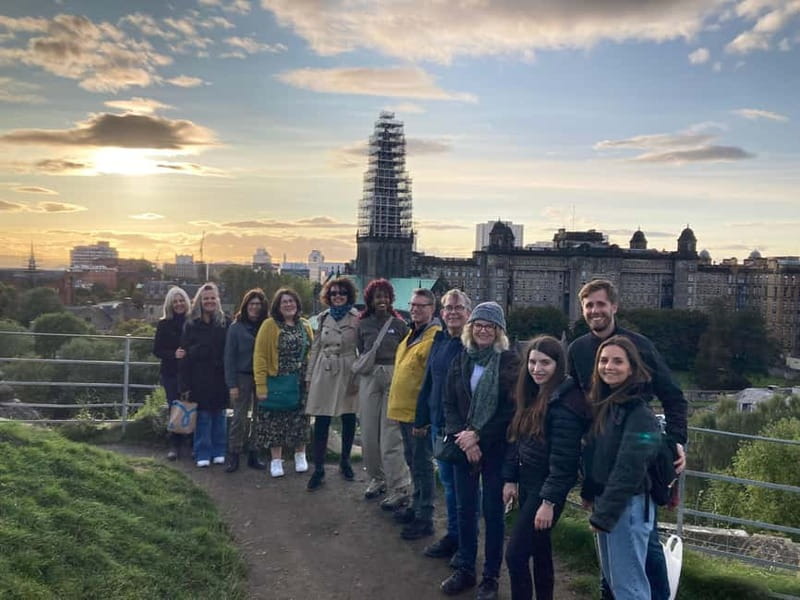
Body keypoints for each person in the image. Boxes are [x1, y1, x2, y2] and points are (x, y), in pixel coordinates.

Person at [567, 278, 687, 600]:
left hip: (633, 472)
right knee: (619, 568)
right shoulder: (578, 350)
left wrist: (674, 442)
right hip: (603, 460)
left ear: (614, 307)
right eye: (589, 305)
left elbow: (673, 397)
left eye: (601, 304)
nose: (595, 311)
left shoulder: (640, 352)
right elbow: (577, 401)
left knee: (640, 556)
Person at [441, 302, 520, 600]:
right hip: (464, 446)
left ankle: (490, 577)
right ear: (470, 328)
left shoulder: (510, 362)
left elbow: (511, 410)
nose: (483, 330)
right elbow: (448, 402)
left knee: (493, 512)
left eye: (489, 325)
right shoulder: (462, 359)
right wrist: (463, 437)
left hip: (496, 447)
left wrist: (478, 436)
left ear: (498, 331)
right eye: (478, 324)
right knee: (465, 509)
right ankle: (465, 568)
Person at [503, 336, 590, 600]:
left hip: (546, 487)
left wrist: (549, 502)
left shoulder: (566, 404)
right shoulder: (534, 394)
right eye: (532, 362)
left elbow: (565, 462)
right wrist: (510, 479)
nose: (537, 369)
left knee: (515, 554)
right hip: (529, 481)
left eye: (545, 363)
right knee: (540, 550)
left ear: (558, 365)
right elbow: (517, 438)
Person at [582, 335, 661, 600]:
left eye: (618, 361)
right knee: (616, 583)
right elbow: (599, 456)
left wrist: (604, 515)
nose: (609, 366)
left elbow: (630, 469)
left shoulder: (640, 413)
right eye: (604, 360)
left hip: (628, 507)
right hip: (610, 502)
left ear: (632, 368)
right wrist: (590, 493)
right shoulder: (607, 405)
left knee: (630, 588)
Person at [415, 289, 472, 558]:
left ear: (468, 313)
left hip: (461, 430)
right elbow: (429, 381)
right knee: (449, 485)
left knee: (464, 492)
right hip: (439, 423)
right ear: (441, 313)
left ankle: (465, 543)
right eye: (448, 308)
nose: (453, 312)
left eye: (458, 308)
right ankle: (454, 536)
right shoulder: (439, 341)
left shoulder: (472, 345)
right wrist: (422, 417)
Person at [387, 288, 441, 537]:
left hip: (417, 414)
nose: (416, 309)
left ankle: (425, 517)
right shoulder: (412, 333)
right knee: (412, 462)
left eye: (422, 305)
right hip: (403, 410)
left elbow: (431, 381)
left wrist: (426, 417)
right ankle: (416, 505)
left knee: (422, 464)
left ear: (433, 308)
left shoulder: (433, 337)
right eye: (413, 305)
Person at [356, 279, 410, 504]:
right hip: (370, 377)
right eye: (378, 296)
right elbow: (359, 349)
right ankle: (376, 478)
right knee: (368, 433)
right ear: (370, 299)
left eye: (386, 296)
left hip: (392, 376)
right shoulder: (363, 324)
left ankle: (398, 486)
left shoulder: (399, 325)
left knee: (390, 435)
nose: (382, 300)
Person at [305, 277, 360, 491]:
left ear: (349, 296)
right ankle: (318, 469)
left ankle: (344, 461)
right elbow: (316, 348)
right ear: (328, 297)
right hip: (325, 369)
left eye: (342, 293)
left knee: (348, 417)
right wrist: (310, 377)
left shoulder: (356, 319)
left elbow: (361, 348)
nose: (338, 296)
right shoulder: (322, 318)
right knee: (322, 418)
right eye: (334, 293)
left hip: (347, 368)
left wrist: (358, 376)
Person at [253, 287, 313, 478]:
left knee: (300, 419)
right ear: (278, 306)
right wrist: (261, 385)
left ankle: (300, 455)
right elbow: (260, 356)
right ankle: (276, 460)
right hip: (276, 379)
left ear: (297, 304)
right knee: (274, 420)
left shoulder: (305, 325)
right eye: (284, 302)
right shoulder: (269, 325)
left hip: (300, 380)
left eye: (292, 301)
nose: (289, 304)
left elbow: (310, 353)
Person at [179, 282, 230, 468]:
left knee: (220, 417)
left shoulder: (226, 323)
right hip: (198, 377)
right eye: (206, 298)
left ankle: (219, 451)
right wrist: (184, 385)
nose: (209, 301)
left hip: (220, 377)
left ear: (218, 300)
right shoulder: (191, 325)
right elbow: (184, 355)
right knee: (203, 417)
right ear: (199, 301)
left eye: (212, 298)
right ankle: (202, 452)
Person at [223, 288, 268, 473]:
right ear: (245, 305)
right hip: (241, 376)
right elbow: (229, 357)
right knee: (239, 418)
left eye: (258, 304)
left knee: (260, 418)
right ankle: (233, 454)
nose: (255, 308)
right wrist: (231, 384)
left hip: (261, 377)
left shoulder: (267, 326)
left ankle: (254, 453)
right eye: (252, 304)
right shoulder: (236, 327)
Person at [153, 285, 192, 460]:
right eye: (175, 301)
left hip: (191, 372)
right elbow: (157, 350)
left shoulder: (192, 322)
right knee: (174, 408)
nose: (179, 304)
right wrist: (173, 354)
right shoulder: (163, 324)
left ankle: (190, 443)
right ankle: (174, 445)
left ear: (186, 301)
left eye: (181, 300)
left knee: (191, 406)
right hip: (171, 372)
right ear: (170, 304)